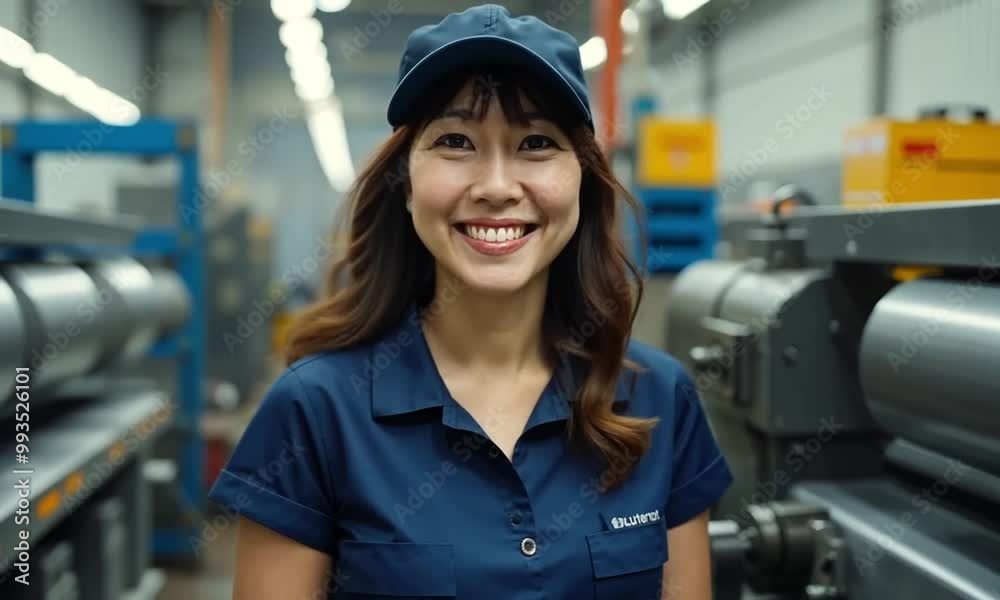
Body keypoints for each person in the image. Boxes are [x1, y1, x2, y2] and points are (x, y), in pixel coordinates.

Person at [208, 4, 732, 599]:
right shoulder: (316, 412)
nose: (497, 187)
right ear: (406, 185)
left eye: (537, 143)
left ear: (582, 181)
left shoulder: (659, 400)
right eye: (456, 142)